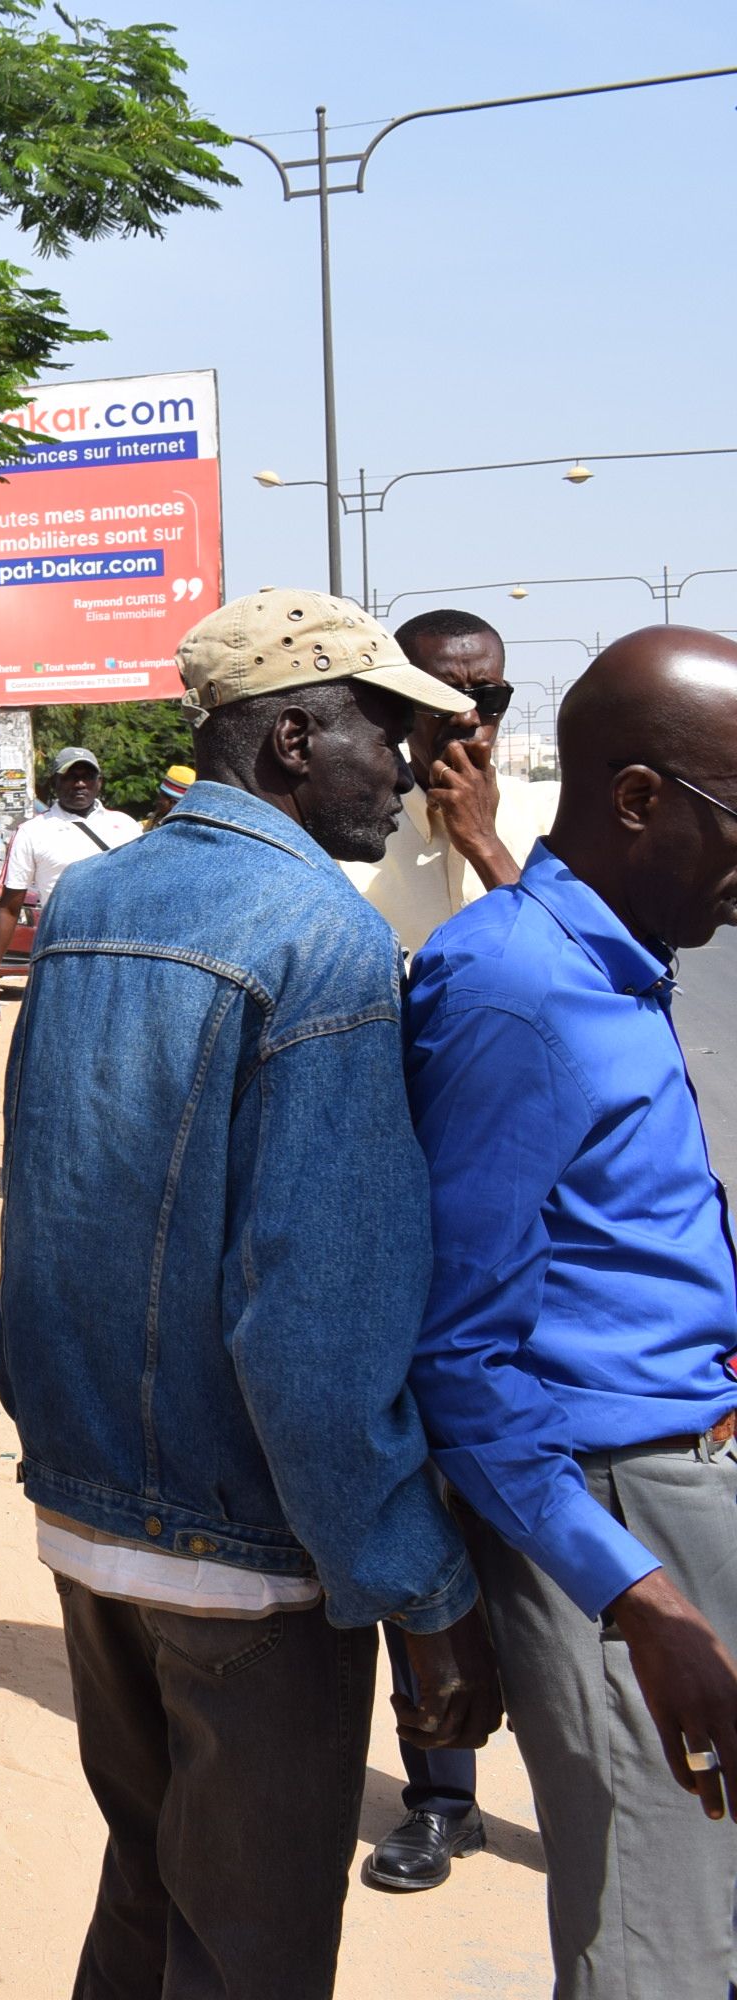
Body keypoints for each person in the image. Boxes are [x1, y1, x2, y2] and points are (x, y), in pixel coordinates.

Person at [0, 589, 501, 1998]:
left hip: (89, 1517)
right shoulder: (321, 938)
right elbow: (318, 1327)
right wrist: (419, 1588)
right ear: (292, 739)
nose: (400, 769)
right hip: (245, 1548)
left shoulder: (96, 897)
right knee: (250, 1948)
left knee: (149, 1891)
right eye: (382, 733)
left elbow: (47, 1205)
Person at [403, 626, 737, 1996]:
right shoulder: (512, 987)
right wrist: (637, 1595)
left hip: (680, 1482)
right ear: (641, 797)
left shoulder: (611, 966)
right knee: (654, 1950)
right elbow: (460, 1359)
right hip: (612, 1521)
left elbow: (614, 1246)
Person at [342, 608, 557, 954]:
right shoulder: (349, 843)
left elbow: (572, 965)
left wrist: (485, 842)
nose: (467, 717)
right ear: (401, 707)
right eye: (441, 699)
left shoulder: (554, 817)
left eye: (488, 698)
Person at [0, 747, 139, 1027]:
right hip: (61, 954)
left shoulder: (126, 826)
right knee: (62, 1032)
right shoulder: (33, 832)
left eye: (88, 776)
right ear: (54, 783)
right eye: (70, 776)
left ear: (99, 782)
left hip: (119, 952)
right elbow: (9, 908)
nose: (80, 784)